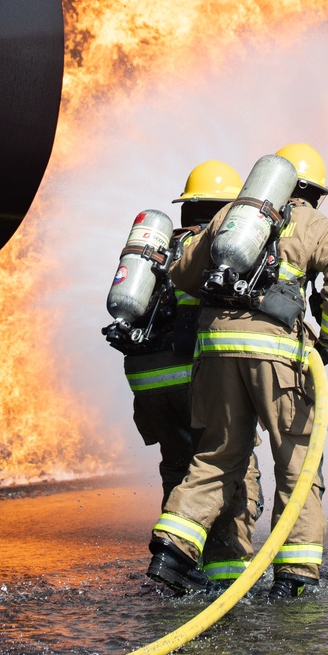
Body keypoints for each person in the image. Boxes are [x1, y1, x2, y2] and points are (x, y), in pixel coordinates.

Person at [147, 143, 328, 601]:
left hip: (216, 353)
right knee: (296, 462)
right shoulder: (318, 224)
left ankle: (171, 552)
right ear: (311, 191)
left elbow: (183, 275)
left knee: (217, 456)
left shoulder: (231, 215)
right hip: (278, 356)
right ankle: (295, 575)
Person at [106, 159, 262, 589]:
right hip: (196, 380)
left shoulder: (155, 251)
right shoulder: (223, 249)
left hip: (150, 387)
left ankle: (179, 572)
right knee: (229, 468)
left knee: (179, 470)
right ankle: (226, 577)